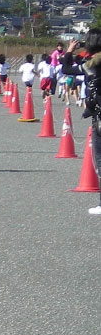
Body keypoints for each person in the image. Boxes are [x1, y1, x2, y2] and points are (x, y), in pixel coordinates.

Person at [60, 29, 101, 213]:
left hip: (99, 115)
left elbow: (66, 69)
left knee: (99, 160)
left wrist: (69, 50)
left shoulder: (91, 64)